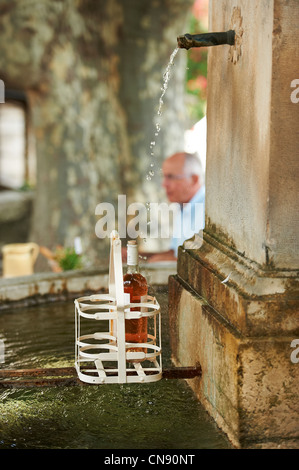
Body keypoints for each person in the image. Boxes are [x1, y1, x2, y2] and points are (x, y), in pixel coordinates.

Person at [148, 151, 205, 262]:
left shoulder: (207, 210)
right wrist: (135, 255)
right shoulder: (183, 206)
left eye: (171, 177)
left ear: (194, 179)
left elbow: (201, 262)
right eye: (164, 177)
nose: (164, 184)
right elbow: (174, 252)